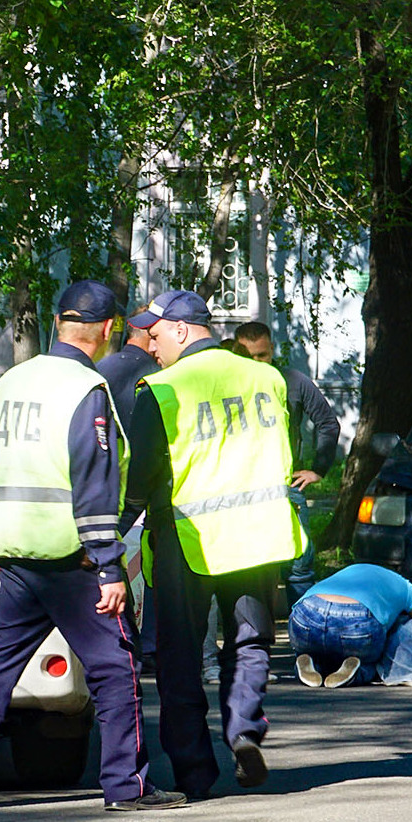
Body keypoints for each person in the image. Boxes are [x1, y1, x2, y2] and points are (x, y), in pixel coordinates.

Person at [0, 280, 185, 812]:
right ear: (108, 330)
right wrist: (110, 569)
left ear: (58, 321)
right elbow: (94, 486)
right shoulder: (86, 391)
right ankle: (127, 788)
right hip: (72, 557)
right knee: (116, 666)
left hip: (17, 552)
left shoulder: (11, 381)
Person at [126, 289, 306, 796]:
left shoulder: (160, 389)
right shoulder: (268, 378)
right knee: (249, 643)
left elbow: (140, 475)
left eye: (155, 334)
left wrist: (113, 533)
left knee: (180, 657)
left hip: (188, 542)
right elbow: (284, 452)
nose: (150, 346)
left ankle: (195, 772)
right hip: (256, 537)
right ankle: (245, 731)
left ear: (181, 330)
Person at [231, 320, 342, 603]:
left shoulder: (292, 381)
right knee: (249, 568)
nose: (258, 362)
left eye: (263, 355)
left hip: (286, 487)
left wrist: (318, 469)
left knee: (299, 566)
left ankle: (303, 640)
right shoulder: (228, 386)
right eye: (250, 356)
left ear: (272, 351)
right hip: (241, 489)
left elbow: (328, 423)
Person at [100, 311, 162, 669]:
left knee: (109, 558)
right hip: (148, 484)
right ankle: (151, 644)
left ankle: (122, 640)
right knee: (153, 564)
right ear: (148, 337)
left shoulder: (102, 371)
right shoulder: (159, 376)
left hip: (107, 482)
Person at [286, 563, 412, 687]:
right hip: (357, 620)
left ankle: (309, 662)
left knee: (321, 651)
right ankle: (359, 671)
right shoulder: (405, 586)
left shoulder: (350, 569)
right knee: (374, 661)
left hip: (306, 612)